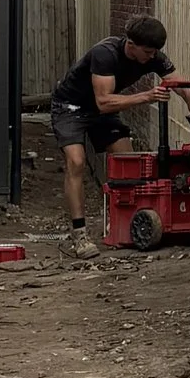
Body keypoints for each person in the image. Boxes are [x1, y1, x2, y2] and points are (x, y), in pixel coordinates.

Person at [49, 13, 179, 247]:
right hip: (71, 107)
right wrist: (147, 96)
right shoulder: (105, 53)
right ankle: (80, 235)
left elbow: (185, 89)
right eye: (147, 52)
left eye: (154, 52)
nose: (152, 57)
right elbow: (104, 102)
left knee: (127, 161)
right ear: (131, 45)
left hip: (103, 112)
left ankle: (124, 225)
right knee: (76, 162)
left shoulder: (154, 57)